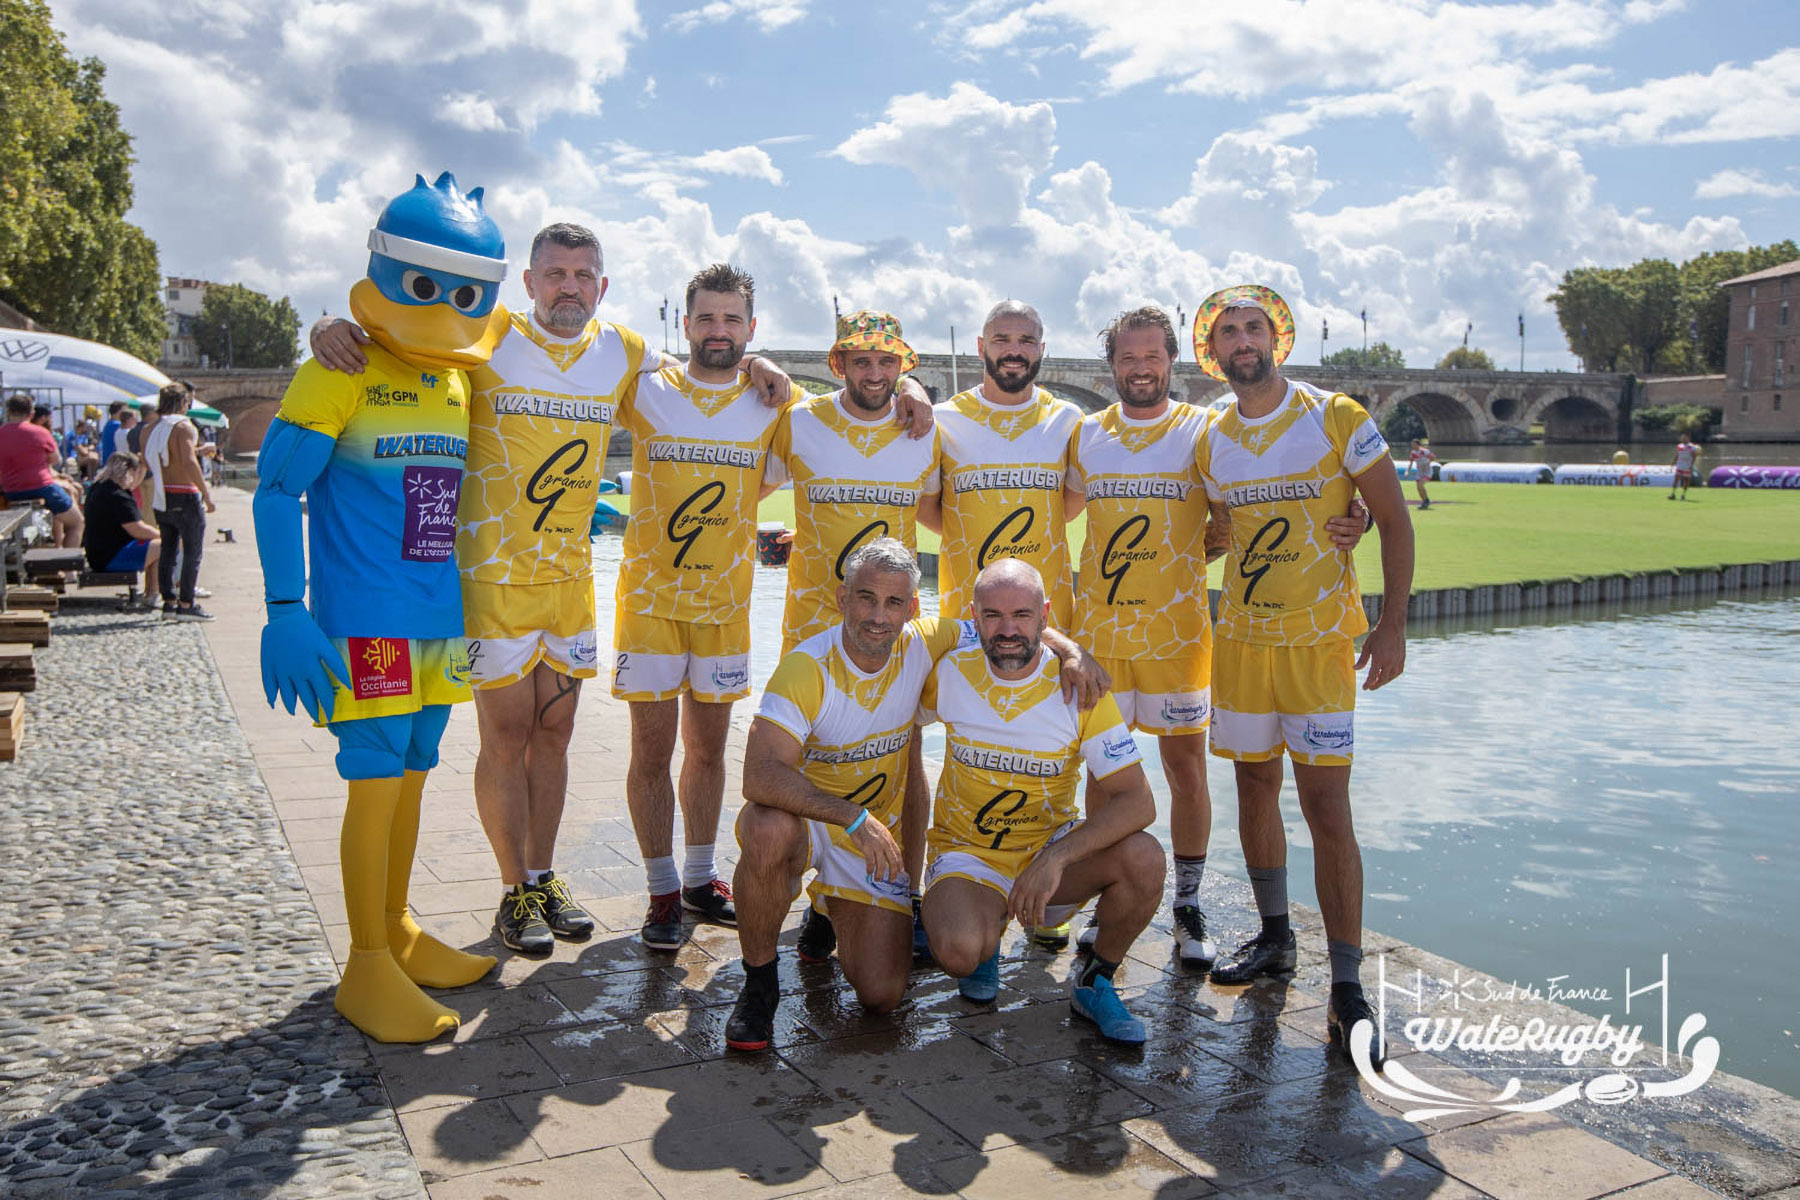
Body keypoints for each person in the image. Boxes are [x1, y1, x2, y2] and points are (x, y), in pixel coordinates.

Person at [255, 171, 509, 1043]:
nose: (447, 307)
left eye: (466, 290)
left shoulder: (457, 379)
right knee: (372, 774)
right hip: (367, 617)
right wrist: (285, 607)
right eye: (431, 284)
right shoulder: (340, 368)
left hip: (440, 614)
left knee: (415, 765)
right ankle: (364, 964)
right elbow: (273, 489)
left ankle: (395, 927)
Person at [1062, 306, 1371, 972]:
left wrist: (1358, 511)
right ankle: (1101, 894)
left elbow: (1239, 518)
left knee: (1186, 773)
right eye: (1127, 357)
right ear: (1110, 365)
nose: (1139, 368)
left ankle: (1188, 902)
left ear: (1172, 359)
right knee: (1104, 774)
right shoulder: (1085, 434)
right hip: (1102, 635)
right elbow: (1057, 513)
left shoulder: (1204, 428)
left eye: (1151, 356)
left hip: (1179, 633)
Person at [725, 540, 1105, 1049]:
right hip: (826, 822)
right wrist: (852, 818)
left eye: (894, 603)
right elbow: (760, 774)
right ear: (842, 598)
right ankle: (759, 986)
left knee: (883, 995)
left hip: (873, 841)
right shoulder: (806, 667)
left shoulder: (926, 642)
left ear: (914, 607)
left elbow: (1009, 626)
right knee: (765, 826)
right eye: (866, 598)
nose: (878, 617)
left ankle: (824, 909)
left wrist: (1071, 650)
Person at [1190, 284, 1413, 1066]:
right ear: (1211, 352)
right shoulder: (1211, 438)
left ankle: (1348, 985)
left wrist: (1391, 625)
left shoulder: (1336, 415)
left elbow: (1392, 516)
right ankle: (1276, 939)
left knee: (1325, 804)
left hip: (1321, 644)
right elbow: (1222, 533)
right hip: (1243, 642)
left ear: (1276, 339)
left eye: (1253, 327)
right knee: (1253, 789)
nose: (1241, 341)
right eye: (1227, 332)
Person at [917, 558, 1162, 1042]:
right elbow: (890, 723)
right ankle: (985, 940)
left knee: (1146, 858)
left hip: (1050, 860)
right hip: (969, 856)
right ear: (973, 615)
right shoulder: (946, 672)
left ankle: (1095, 981)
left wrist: (1056, 858)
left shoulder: (1079, 685)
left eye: (1022, 615)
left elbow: (1137, 802)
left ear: (1045, 614)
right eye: (992, 616)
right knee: (959, 950)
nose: (1007, 630)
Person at [920, 298, 1085, 950]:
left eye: (1027, 338)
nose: (1014, 349)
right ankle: (953, 880)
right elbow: (932, 508)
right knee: (964, 746)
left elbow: (1072, 502)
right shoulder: (946, 420)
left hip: (1048, 620)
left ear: (1041, 348)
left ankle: (1048, 892)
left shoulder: (1069, 421)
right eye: (1004, 338)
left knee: (1053, 753)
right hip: (970, 617)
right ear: (984, 344)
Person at [144, 382, 216, 620]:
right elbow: (187, 462)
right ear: (183, 403)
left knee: (168, 550)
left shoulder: (150, 429)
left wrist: (196, 451)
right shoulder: (184, 427)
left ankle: (169, 604)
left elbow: (163, 458)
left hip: (162, 494)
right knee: (192, 552)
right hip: (186, 494)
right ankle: (187, 604)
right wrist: (207, 494)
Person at [2, 393, 83, 547]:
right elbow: (55, 459)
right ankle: (68, 567)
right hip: (41, 487)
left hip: (11, 490)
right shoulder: (40, 432)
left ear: (8, 412)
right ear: (31, 414)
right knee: (76, 522)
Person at [81, 451, 161, 607]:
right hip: (111, 558)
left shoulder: (99, 487)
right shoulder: (118, 496)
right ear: (129, 471)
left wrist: (142, 467)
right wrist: (164, 535)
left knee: (156, 544)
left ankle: (151, 592)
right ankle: (153, 594)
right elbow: (137, 530)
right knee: (165, 544)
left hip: (97, 555)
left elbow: (133, 484)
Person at [1670, 436, 1700, 500]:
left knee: (1686, 481)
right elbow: (1677, 455)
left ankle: (1683, 494)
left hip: (1687, 466)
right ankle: (1673, 493)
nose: (1683, 439)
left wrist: (1691, 465)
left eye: (1685, 438)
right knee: (1676, 479)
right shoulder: (1679, 446)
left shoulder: (1692, 447)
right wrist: (1673, 462)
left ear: (1688, 438)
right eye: (1682, 438)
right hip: (1680, 465)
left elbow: (1694, 456)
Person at [1408, 438, 1434, 509]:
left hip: (1427, 471)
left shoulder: (1424, 451)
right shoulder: (1413, 453)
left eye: (1413, 444)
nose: (1412, 446)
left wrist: (1427, 464)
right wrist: (1407, 471)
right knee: (1418, 488)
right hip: (1419, 472)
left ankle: (1426, 500)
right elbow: (1411, 462)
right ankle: (1424, 501)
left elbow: (1432, 457)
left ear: (1417, 444)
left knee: (1420, 485)